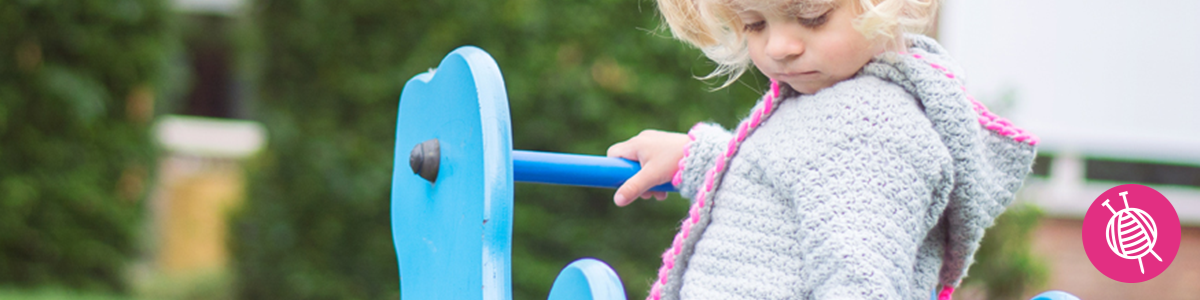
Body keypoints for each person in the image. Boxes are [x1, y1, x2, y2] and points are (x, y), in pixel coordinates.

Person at [604, 0, 1038, 299]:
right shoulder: (842, 101)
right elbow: (790, 176)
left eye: (811, 16)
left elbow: (860, 278)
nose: (778, 47)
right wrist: (698, 157)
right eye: (756, 23)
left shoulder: (869, 126)